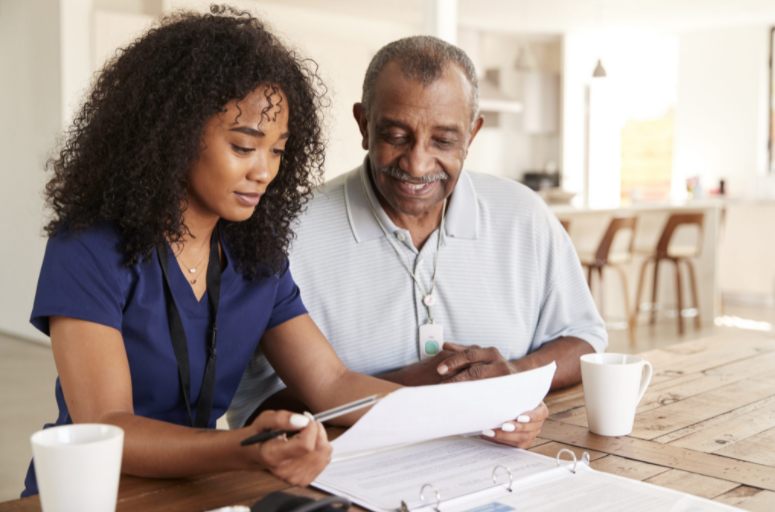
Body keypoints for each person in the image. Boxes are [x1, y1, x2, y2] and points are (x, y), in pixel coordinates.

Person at [22, 6, 407, 497]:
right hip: (90, 494)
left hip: (202, 490)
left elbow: (331, 381)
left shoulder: (256, 256)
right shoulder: (88, 246)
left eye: (277, 149)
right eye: (244, 147)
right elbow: (107, 425)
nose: (265, 171)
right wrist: (244, 447)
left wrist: (468, 414)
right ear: (173, 137)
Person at [228, 36, 607, 433]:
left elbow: (585, 338)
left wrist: (512, 376)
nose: (417, 163)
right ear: (363, 124)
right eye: (395, 136)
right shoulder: (287, 231)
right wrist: (420, 389)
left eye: (443, 140)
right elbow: (256, 406)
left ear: (472, 135)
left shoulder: (525, 215)